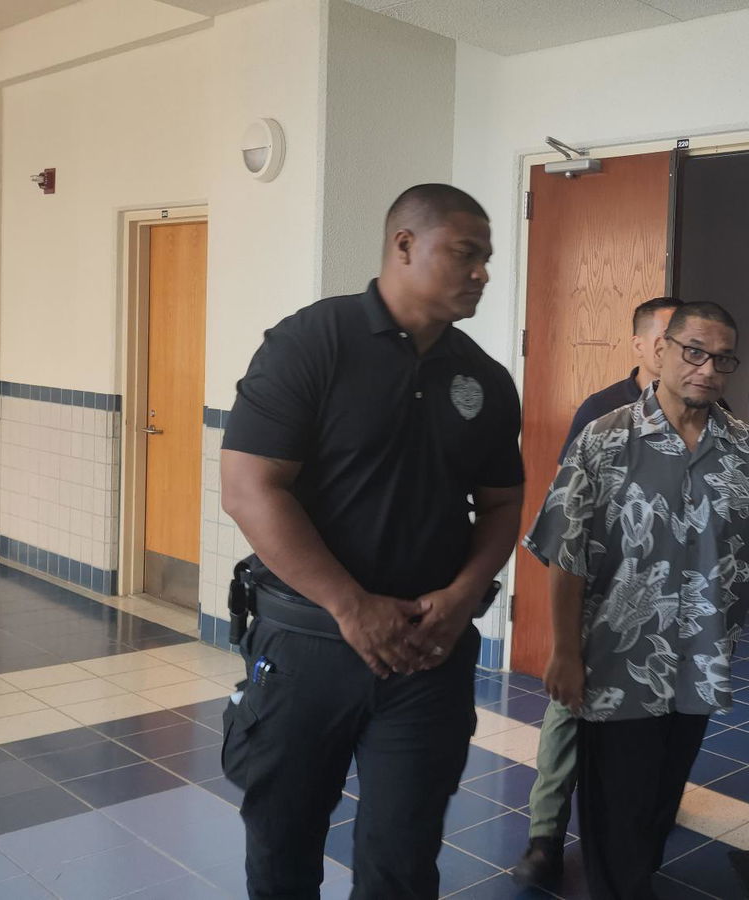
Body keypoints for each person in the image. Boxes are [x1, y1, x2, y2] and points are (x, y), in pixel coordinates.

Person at [219, 184, 525, 899]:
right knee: (283, 841)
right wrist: (351, 606)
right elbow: (250, 489)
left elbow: (503, 503)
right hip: (308, 650)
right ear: (404, 245)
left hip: (428, 653)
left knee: (403, 858)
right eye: (466, 253)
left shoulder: (482, 377)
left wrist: (463, 594)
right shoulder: (313, 342)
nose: (482, 272)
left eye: (487, 258)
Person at [524, 301, 749, 900]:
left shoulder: (747, 450)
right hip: (616, 664)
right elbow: (565, 554)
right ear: (663, 352)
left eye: (722, 358)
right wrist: (565, 652)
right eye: (694, 352)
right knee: (614, 807)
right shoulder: (605, 439)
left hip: (699, 663)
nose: (707, 368)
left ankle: (634, 880)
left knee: (661, 798)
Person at [514, 295, 681, 888]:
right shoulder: (602, 410)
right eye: (664, 339)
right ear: (639, 344)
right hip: (600, 601)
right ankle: (546, 837)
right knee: (569, 714)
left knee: (656, 726)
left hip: (667, 607)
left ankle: (641, 833)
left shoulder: (711, 412)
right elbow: (567, 519)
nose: (676, 352)